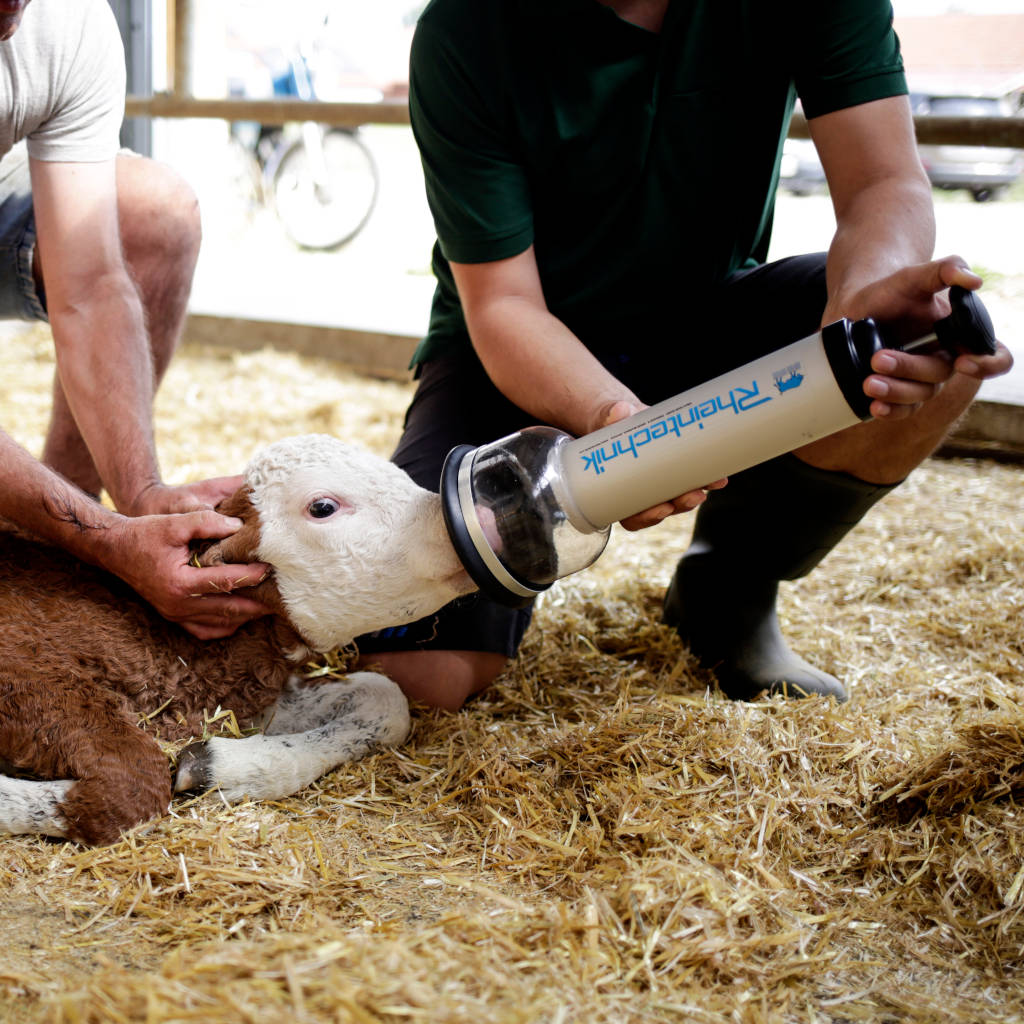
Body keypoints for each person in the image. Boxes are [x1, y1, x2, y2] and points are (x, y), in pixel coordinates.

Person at [356, 0, 1013, 709]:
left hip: (708, 317)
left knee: (919, 337)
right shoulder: (465, 28)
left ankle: (728, 590)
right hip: (523, 353)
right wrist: (617, 424)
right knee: (419, 683)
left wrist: (862, 311)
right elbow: (503, 303)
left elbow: (884, 182)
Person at [0, 0, 274, 639]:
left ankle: (48, 550)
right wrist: (103, 539)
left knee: (154, 213)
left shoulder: (60, 19)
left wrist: (141, 496)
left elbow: (90, 287)